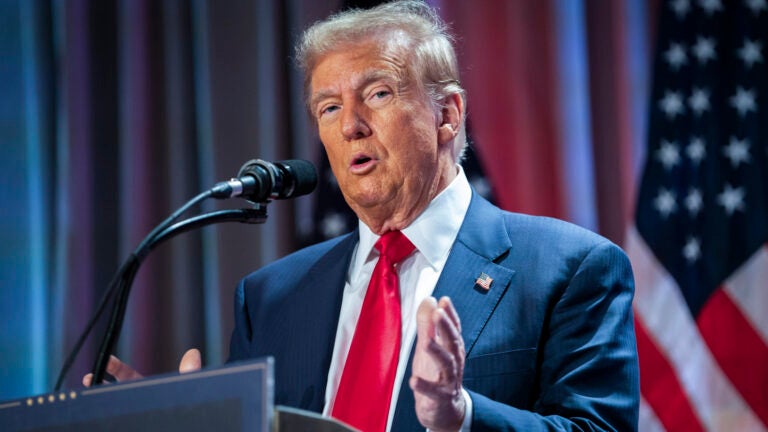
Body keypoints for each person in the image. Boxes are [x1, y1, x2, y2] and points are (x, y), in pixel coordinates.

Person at [88, 1, 639, 431]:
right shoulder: (270, 297)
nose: (350, 125)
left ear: (447, 115)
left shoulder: (569, 269)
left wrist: (461, 417)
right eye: (328, 107)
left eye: (377, 93)